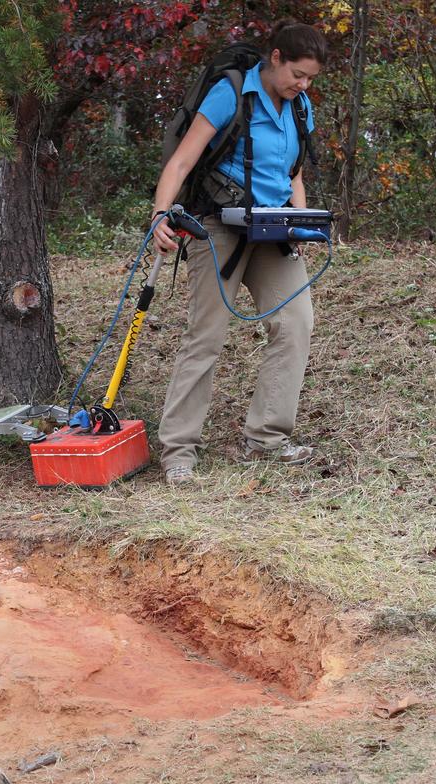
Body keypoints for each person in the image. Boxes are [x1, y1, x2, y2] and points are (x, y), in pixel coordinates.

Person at [150, 21, 329, 486]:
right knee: (205, 337)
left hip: (274, 231)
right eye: (297, 74)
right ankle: (178, 452)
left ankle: (266, 438)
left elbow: (293, 174)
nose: (303, 85)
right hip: (220, 227)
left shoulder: (299, 107)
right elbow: (183, 160)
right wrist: (159, 215)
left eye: (310, 78)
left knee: (295, 323)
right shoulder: (231, 94)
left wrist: (302, 222)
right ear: (275, 57)